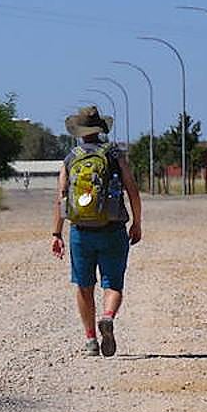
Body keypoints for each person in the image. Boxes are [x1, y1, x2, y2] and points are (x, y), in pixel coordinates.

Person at [51, 106, 142, 357]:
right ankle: (108, 317)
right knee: (113, 284)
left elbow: (61, 197)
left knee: (84, 285)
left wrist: (56, 234)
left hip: (81, 231)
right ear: (100, 129)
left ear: (79, 132)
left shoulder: (71, 158)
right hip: (113, 228)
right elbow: (132, 190)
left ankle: (91, 340)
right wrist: (137, 222)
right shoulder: (114, 154)